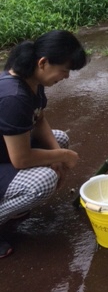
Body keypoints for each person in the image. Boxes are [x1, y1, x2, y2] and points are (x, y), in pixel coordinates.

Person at [0, 30, 88, 259]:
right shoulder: (14, 97)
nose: (67, 77)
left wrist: (58, 153)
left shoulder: (32, 81)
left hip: (4, 154)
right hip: (9, 157)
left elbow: (38, 119)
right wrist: (63, 156)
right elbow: (21, 159)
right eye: (65, 70)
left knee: (59, 139)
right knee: (42, 182)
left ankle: (11, 205)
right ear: (43, 62)